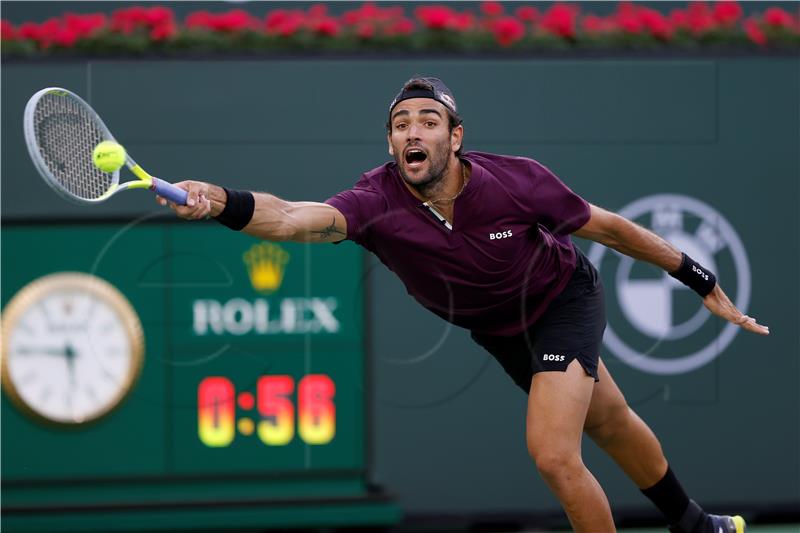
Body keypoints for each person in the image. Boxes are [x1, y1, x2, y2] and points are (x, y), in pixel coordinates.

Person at [158, 77, 768, 533]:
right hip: (499, 329)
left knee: (555, 455)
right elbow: (292, 218)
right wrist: (220, 201)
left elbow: (610, 229)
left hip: (561, 301)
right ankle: (694, 524)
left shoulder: (518, 181)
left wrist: (698, 277)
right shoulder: (373, 201)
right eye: (400, 123)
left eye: (428, 120)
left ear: (455, 137)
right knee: (607, 420)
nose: (412, 132)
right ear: (392, 141)